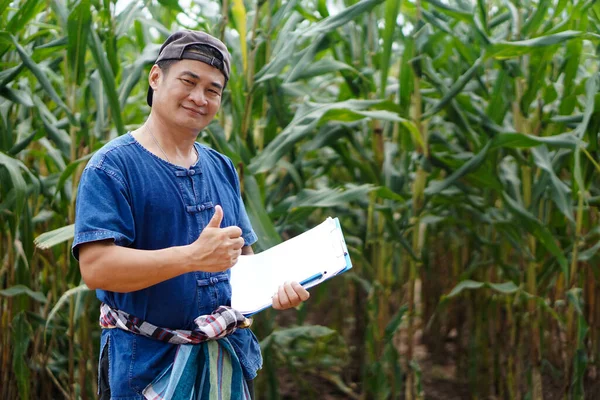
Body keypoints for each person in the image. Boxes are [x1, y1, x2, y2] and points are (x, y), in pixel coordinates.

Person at [72, 30, 310, 400]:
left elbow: (243, 263)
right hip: (144, 368)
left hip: (225, 361)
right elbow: (97, 268)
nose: (199, 98)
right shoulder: (111, 167)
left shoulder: (221, 166)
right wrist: (191, 257)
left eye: (212, 90)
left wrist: (276, 290)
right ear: (155, 77)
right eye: (189, 81)